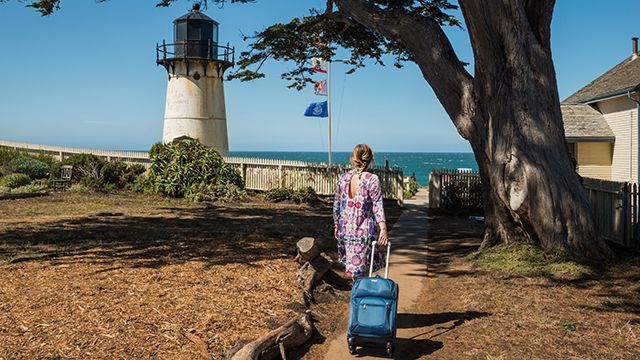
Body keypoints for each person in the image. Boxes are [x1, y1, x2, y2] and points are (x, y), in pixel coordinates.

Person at [333, 144, 389, 279]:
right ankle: (361, 298)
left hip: (345, 229)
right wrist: (383, 228)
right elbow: (377, 204)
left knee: (354, 272)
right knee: (363, 272)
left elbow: (337, 204)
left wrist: (336, 224)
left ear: (353, 158)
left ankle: (357, 297)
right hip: (363, 230)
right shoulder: (371, 179)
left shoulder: (343, 178)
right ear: (370, 159)